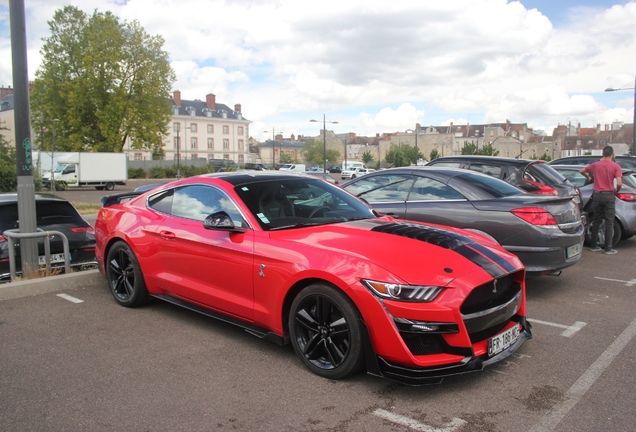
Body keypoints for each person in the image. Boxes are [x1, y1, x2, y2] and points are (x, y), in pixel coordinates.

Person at [579, 146, 623, 254]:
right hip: (609, 195)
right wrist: (616, 190)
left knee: (596, 220)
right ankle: (608, 248)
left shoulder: (596, 165)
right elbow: (620, 183)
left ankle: (594, 245)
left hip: (597, 195)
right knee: (609, 221)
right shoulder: (615, 166)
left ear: (602, 153)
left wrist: (588, 178)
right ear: (612, 154)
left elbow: (582, 170)